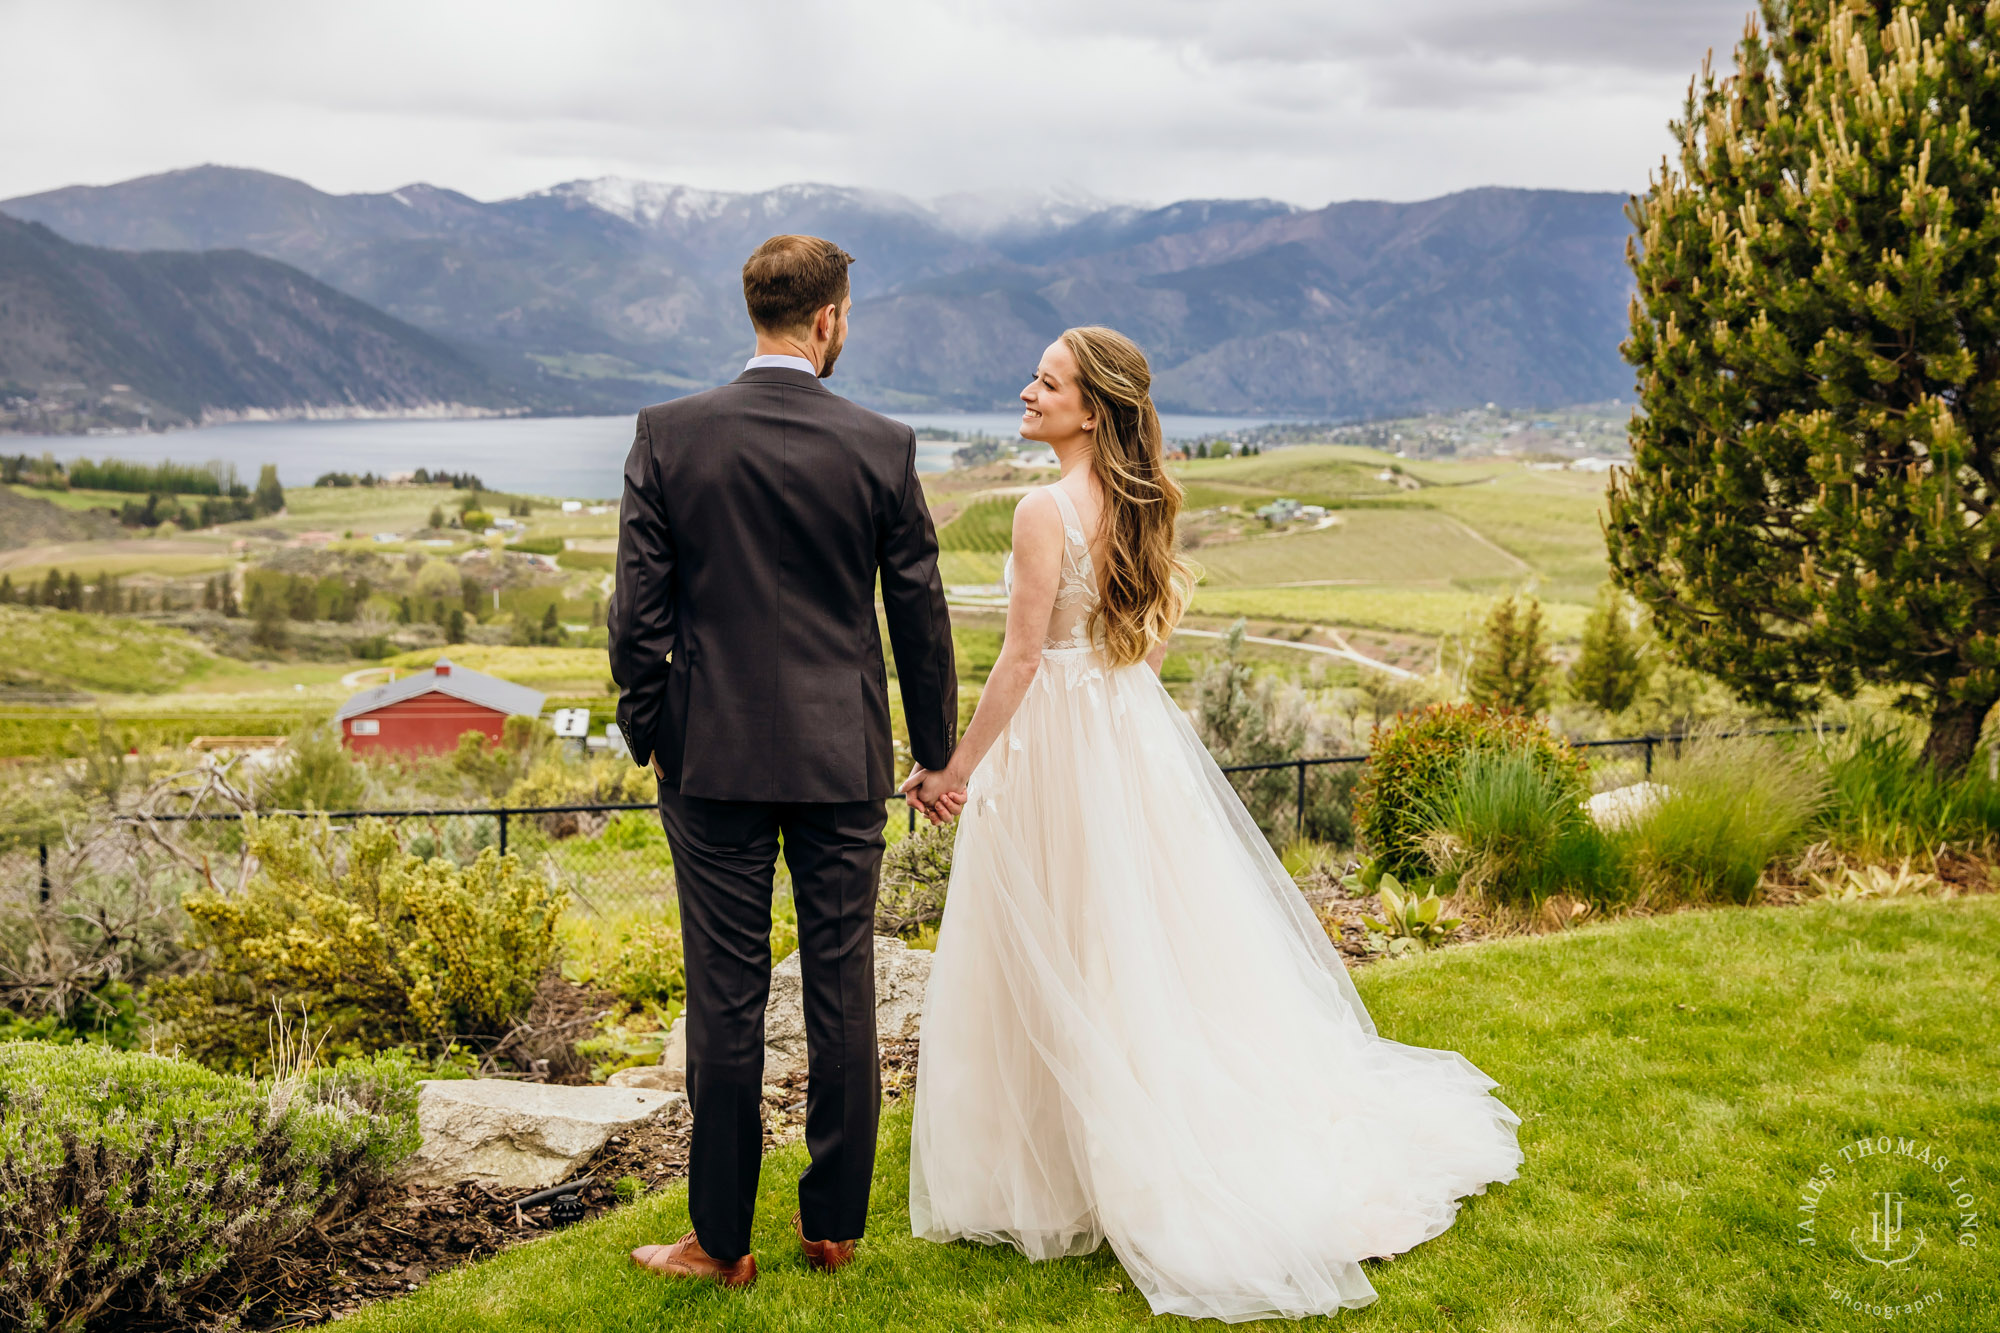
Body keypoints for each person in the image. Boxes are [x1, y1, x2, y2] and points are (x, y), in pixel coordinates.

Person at [902, 326, 1523, 1322]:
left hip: (1062, 737)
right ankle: (1109, 1139)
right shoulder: (1142, 504)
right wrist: (1119, 731)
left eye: (1046, 382)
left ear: (1088, 409)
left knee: (1065, 936)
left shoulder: (1038, 510)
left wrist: (955, 769)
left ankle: (1072, 1165)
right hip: (1123, 730)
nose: (1025, 391)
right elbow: (1140, 648)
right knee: (1140, 942)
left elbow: (1020, 660)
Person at [610, 234, 957, 1288]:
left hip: (705, 759)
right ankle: (831, 1227)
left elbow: (636, 618)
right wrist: (935, 752)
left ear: (754, 311)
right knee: (839, 986)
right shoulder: (881, 445)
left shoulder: (668, 436)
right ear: (826, 320)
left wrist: (651, 729)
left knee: (721, 999)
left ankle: (718, 1242)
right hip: (838, 758)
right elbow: (918, 616)